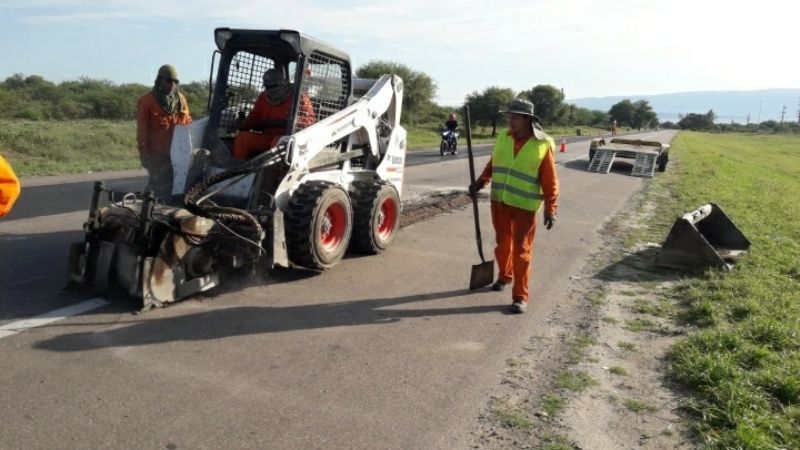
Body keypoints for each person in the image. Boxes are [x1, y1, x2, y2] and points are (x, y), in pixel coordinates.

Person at [469, 98, 559, 314]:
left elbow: (550, 179)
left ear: (527, 119)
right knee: (502, 245)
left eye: (515, 117)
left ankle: (520, 296)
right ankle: (504, 276)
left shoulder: (542, 144)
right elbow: (494, 162)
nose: (510, 120)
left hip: (525, 206)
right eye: (509, 116)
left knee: (521, 251)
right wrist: (481, 181)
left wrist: (551, 208)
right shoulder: (504, 136)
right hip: (499, 201)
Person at [232, 67, 316, 160]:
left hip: (287, 138)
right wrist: (244, 123)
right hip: (267, 136)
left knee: (277, 142)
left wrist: (294, 121)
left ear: (283, 83)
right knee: (242, 138)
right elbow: (254, 116)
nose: (270, 90)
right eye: (268, 87)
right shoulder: (263, 97)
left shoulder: (298, 96)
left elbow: (310, 121)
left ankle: (271, 169)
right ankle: (238, 167)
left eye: (274, 86)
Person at [136, 64, 192, 200]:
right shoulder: (146, 101)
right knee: (158, 188)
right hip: (157, 156)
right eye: (168, 80)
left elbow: (187, 124)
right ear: (159, 80)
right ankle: (146, 207)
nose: (172, 84)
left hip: (178, 155)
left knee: (177, 189)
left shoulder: (181, 100)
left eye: (175, 82)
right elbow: (142, 129)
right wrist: (144, 152)